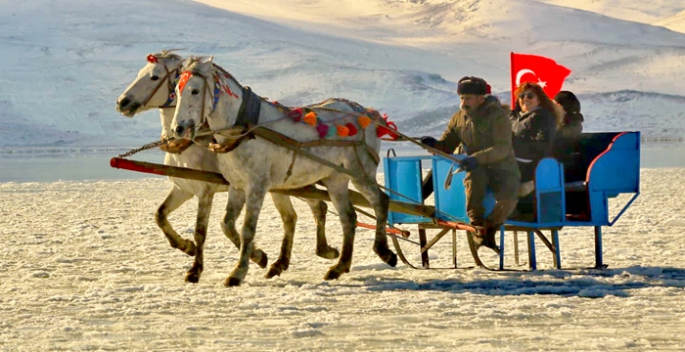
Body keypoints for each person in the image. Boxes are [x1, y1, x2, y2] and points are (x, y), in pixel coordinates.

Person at [420, 76, 520, 253]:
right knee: (474, 177)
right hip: (476, 168)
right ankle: (478, 226)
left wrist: (477, 158)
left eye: (467, 98)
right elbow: (447, 146)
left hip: (502, 168)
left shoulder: (498, 117)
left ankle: (488, 228)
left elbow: (502, 148)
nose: (463, 102)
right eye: (461, 98)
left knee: (509, 198)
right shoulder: (459, 118)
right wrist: (434, 145)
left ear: (481, 98)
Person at [510, 82, 564, 197]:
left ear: (539, 99)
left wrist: (512, 144)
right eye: (521, 96)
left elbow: (542, 145)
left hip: (528, 167)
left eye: (530, 96)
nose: (525, 99)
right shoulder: (515, 118)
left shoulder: (543, 117)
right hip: (511, 161)